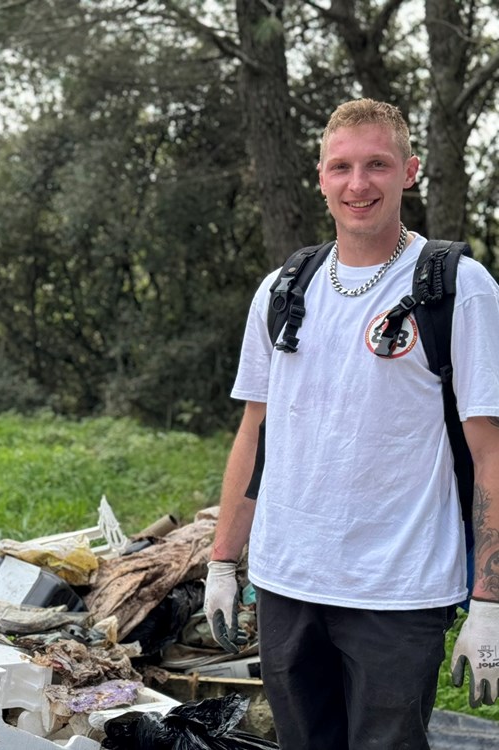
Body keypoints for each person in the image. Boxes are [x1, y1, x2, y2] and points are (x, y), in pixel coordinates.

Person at [205, 98, 499, 749]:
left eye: (377, 165)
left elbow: (491, 454)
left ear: (410, 171)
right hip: (286, 582)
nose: (358, 184)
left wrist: (489, 604)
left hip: (399, 591)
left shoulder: (459, 288)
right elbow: (255, 431)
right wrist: (223, 562)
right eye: (341, 167)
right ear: (320, 176)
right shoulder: (282, 289)